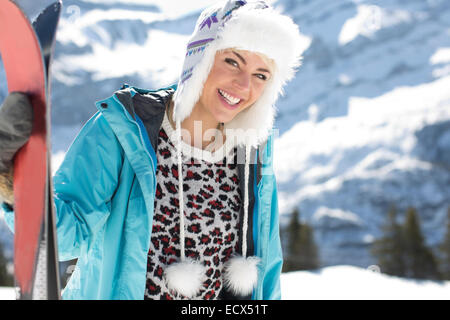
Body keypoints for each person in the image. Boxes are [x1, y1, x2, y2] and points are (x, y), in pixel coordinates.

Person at [0, 0, 303, 300]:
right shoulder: (125, 129)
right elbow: (68, 234)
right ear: (201, 57)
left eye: (261, 75)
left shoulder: (252, 150)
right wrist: (16, 185)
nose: (243, 84)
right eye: (232, 61)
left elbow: (267, 263)